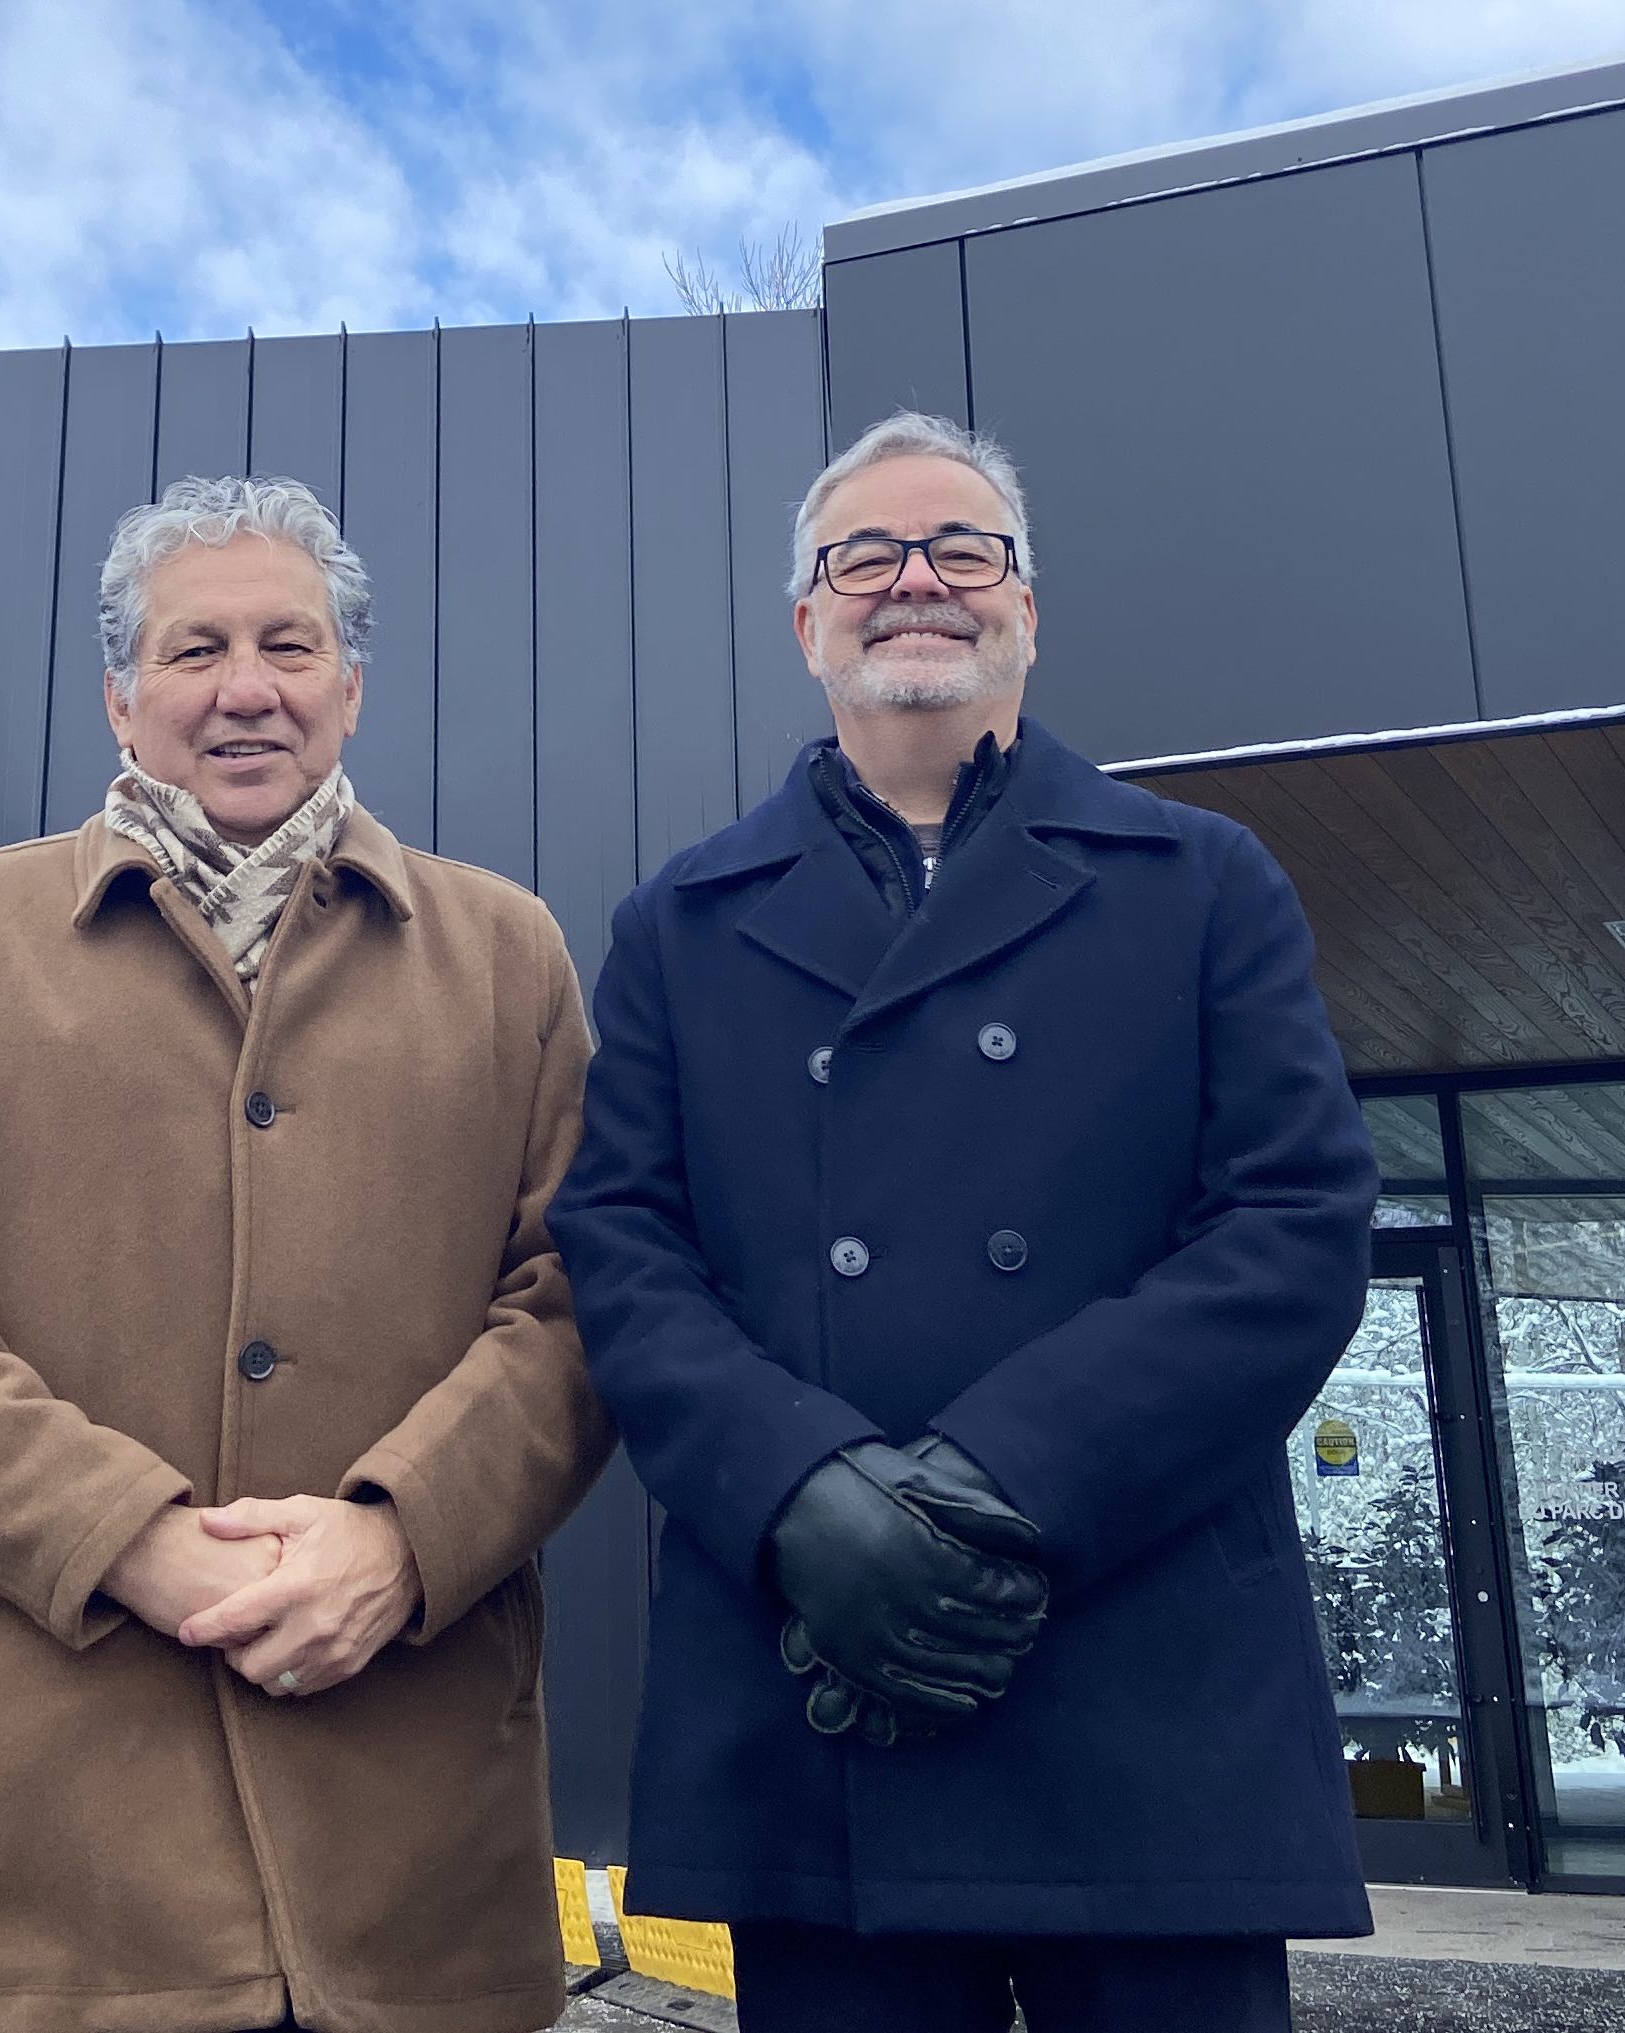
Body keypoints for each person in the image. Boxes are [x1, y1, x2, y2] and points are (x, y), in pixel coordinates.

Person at [548, 412, 1378, 2032]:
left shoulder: (1202, 879)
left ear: (1026, 609)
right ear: (807, 620)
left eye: (961, 549)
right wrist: (804, 1495)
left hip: (1140, 1681)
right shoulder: (675, 924)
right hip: (819, 1686)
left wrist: (1000, 1479)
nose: (914, 578)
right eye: (864, 554)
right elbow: (624, 1254)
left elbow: (1294, 1223)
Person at [0, 475, 612, 2033]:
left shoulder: (506, 953)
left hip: (410, 1839)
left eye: (288, 645)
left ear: (350, 685)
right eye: (194, 648)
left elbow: (575, 1301)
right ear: (120, 694)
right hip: (55, 1847)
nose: (246, 688)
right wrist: (127, 1535)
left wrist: (399, 1539)